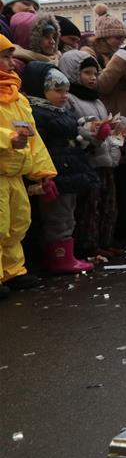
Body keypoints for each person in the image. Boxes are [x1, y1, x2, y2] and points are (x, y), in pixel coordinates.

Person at [24, 62, 99, 274]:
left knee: (67, 216)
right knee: (58, 219)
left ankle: (66, 256)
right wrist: (41, 178)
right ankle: (59, 259)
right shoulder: (37, 113)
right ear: (41, 89)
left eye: (66, 90)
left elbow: (73, 142)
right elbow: (39, 148)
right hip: (55, 174)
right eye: (58, 90)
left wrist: (89, 138)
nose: (65, 95)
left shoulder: (58, 111)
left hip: (68, 171)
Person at [0, 34, 57, 296]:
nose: (11, 63)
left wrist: (41, 171)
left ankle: (13, 271)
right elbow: (14, 135)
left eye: (11, 57)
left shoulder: (18, 98)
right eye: (5, 57)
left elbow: (33, 138)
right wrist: (7, 138)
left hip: (15, 174)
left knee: (18, 223)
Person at [60, 50, 122, 260]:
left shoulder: (97, 101)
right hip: (88, 161)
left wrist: (115, 133)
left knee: (108, 204)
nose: (93, 77)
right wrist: (93, 134)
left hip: (105, 159)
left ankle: (105, 241)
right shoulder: (70, 99)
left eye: (95, 73)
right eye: (87, 72)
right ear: (73, 72)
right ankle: (89, 245)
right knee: (90, 206)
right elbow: (74, 130)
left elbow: (106, 131)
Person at [10, 11, 60, 75]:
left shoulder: (53, 60)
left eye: (53, 37)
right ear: (28, 37)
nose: (53, 41)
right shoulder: (16, 66)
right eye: (46, 36)